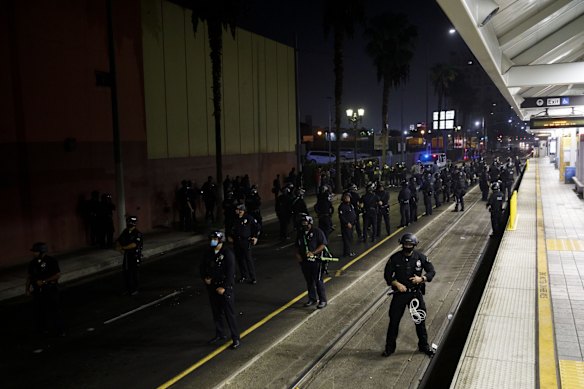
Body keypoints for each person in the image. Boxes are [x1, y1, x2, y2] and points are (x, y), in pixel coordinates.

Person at [382, 233, 436, 357]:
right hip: (399, 295)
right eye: (405, 244)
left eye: (410, 244)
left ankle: (424, 346)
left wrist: (421, 279)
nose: (408, 246)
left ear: (414, 245)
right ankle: (389, 348)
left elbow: (432, 271)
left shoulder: (420, 257)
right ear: (402, 245)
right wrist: (396, 283)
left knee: (420, 321)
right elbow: (387, 275)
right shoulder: (394, 258)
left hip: (415, 294)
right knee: (394, 322)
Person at [200, 231, 241, 350]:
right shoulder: (209, 253)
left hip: (224, 288)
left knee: (229, 314)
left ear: (221, 240)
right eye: (211, 239)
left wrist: (225, 288)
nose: (212, 241)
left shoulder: (227, 253)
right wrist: (205, 277)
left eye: (215, 239)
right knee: (216, 313)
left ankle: (236, 338)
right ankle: (220, 333)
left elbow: (230, 272)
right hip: (212, 286)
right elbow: (202, 267)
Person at [25, 242, 64, 336]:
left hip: (50, 289)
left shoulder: (51, 261)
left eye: (36, 251)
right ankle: (41, 330)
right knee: (39, 311)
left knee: (54, 310)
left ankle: (59, 330)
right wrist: (27, 289)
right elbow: (30, 277)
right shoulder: (33, 263)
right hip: (38, 291)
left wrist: (44, 281)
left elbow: (57, 275)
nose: (34, 253)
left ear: (42, 252)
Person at [296, 215, 328, 309]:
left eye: (305, 222)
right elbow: (297, 246)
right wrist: (298, 255)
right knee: (309, 281)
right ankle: (312, 298)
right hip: (305, 262)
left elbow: (323, 244)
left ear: (310, 223)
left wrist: (313, 253)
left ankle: (322, 300)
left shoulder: (317, 232)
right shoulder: (300, 233)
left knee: (318, 280)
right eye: (302, 223)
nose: (304, 224)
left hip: (316, 261)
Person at [230, 204, 260, 284]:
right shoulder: (234, 219)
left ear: (242, 210)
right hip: (237, 241)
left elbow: (256, 227)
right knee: (240, 260)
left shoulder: (248, 218)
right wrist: (230, 236)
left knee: (248, 259)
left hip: (245, 241)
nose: (236, 211)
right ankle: (244, 275)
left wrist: (255, 237)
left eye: (238, 209)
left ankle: (253, 277)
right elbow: (230, 229)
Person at [116, 215, 143, 295]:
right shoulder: (125, 232)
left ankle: (135, 289)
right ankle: (127, 289)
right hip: (127, 256)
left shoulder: (138, 233)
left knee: (134, 273)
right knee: (126, 273)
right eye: (129, 222)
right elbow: (119, 240)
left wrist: (123, 248)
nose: (130, 223)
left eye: (131, 222)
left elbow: (134, 244)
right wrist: (118, 247)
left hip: (135, 256)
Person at [338, 192, 357, 257]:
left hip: (351, 224)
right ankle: (347, 253)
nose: (347, 199)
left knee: (350, 238)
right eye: (346, 198)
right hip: (346, 226)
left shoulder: (350, 205)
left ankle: (347, 252)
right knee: (347, 239)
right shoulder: (342, 206)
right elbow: (341, 217)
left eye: (348, 197)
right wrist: (347, 223)